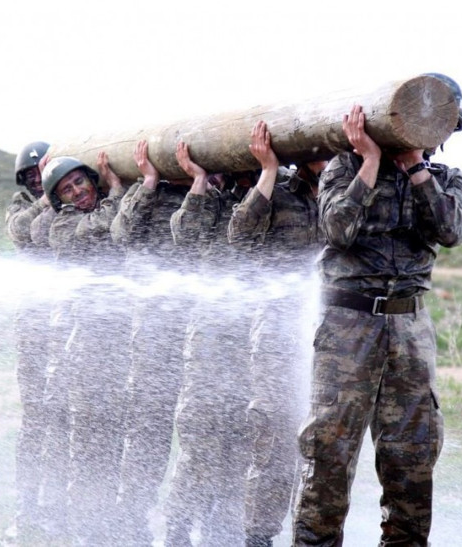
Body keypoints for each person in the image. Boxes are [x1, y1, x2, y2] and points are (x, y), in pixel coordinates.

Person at [292, 85, 462, 546]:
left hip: (410, 329)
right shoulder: (344, 168)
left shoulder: (446, 179)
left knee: (412, 452)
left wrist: (416, 169)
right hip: (347, 327)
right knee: (329, 450)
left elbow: (450, 231)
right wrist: (369, 163)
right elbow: (336, 229)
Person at [228, 121, 326, 547]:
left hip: (335, 332)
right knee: (274, 434)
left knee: (323, 441)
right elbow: (240, 236)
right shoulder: (280, 191)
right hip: (277, 331)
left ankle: (310, 535)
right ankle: (259, 536)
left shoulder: (354, 188)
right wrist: (268, 171)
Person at [163, 142, 251, 546]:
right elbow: (184, 233)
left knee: (242, 443)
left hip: (254, 340)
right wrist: (199, 180)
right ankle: (178, 531)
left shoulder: (266, 194)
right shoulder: (208, 203)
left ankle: (224, 533)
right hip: (210, 340)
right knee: (201, 441)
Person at [40, 153, 128, 544]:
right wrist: (115, 189)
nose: (77, 193)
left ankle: (105, 530)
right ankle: (85, 534)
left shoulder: (94, 202)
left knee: (112, 451)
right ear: (59, 200)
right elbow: (105, 225)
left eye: (80, 182)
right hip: (88, 357)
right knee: (90, 453)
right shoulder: (63, 227)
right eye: (67, 189)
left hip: (117, 353)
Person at [110, 140, 192, 545]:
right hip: (154, 336)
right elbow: (121, 233)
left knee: (200, 434)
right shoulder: (145, 194)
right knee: (148, 433)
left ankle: (186, 528)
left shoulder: (209, 189)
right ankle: (132, 523)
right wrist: (147, 182)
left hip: (202, 333)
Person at [3, 141, 55, 538]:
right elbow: (23, 232)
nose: (38, 182)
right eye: (32, 177)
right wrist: (52, 196)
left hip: (68, 331)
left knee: (70, 421)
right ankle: (28, 501)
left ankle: (62, 500)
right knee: (37, 421)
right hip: (36, 333)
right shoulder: (22, 208)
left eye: (45, 174)